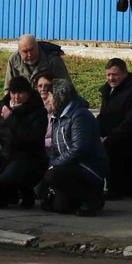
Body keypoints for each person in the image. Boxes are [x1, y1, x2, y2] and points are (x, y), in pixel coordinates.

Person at [0, 77, 49, 208]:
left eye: (20, 93)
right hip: (7, 159)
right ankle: (15, 192)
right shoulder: (4, 110)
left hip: (30, 161)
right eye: (13, 93)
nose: (16, 97)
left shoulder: (38, 111)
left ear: (28, 93)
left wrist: (11, 119)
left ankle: (24, 190)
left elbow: (30, 138)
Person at [39, 76, 108, 215]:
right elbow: (55, 148)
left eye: (51, 96)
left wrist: (55, 164)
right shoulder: (57, 117)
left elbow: (79, 149)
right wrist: (52, 163)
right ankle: (79, 200)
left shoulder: (80, 116)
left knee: (53, 175)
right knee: (59, 207)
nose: (48, 100)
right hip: (69, 166)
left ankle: (92, 198)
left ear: (59, 97)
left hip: (87, 167)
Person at [97, 58, 132, 198]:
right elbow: (104, 115)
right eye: (108, 75)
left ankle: (117, 190)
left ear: (124, 73)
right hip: (113, 135)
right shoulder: (108, 91)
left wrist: (110, 138)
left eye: (114, 74)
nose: (111, 78)